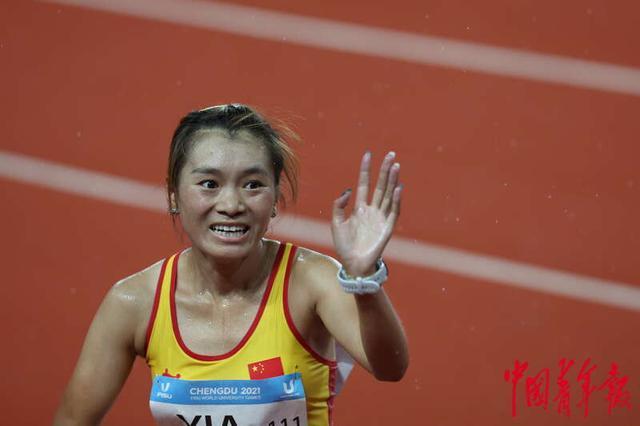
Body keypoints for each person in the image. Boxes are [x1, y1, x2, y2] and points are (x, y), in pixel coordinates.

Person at [54, 104, 409, 426]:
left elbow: (391, 367)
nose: (231, 203)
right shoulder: (134, 303)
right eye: (209, 184)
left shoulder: (312, 281)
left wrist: (364, 278)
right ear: (173, 195)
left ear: (274, 201)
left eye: (253, 185)